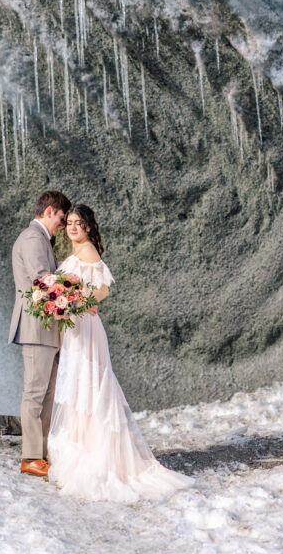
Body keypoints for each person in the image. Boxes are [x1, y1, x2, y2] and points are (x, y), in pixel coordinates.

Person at [47, 204, 194, 502]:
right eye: (70, 223)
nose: (73, 227)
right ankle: (80, 445)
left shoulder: (88, 251)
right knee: (77, 387)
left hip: (87, 326)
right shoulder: (75, 253)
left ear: (88, 227)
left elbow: (102, 291)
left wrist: (75, 303)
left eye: (79, 223)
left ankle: (97, 455)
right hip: (75, 329)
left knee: (90, 386)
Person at [9, 190, 71, 478]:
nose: (62, 224)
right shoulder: (33, 238)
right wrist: (73, 298)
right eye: (60, 218)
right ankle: (31, 457)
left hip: (45, 328)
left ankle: (41, 455)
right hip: (36, 328)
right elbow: (43, 281)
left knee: (46, 394)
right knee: (35, 393)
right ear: (48, 211)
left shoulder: (41, 239)